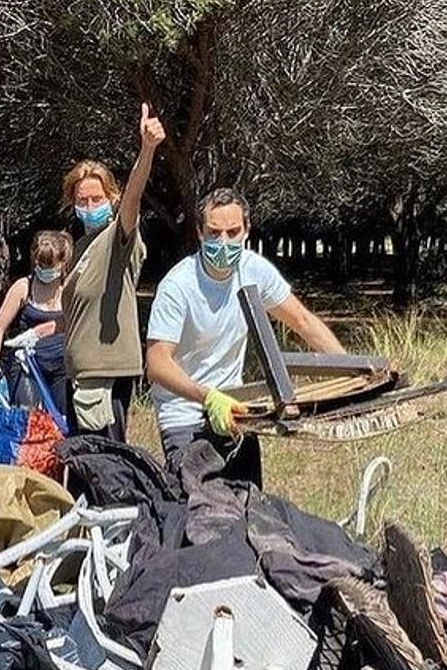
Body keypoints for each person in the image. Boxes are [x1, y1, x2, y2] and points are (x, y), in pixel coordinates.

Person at [145, 187, 346, 466]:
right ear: (200, 233)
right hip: (186, 419)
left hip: (238, 414)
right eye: (214, 233)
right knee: (200, 508)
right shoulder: (177, 285)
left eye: (233, 232)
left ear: (247, 230)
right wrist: (208, 397)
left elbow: (303, 321)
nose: (224, 242)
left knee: (249, 505)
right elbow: (157, 363)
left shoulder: (254, 270)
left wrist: (351, 372)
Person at [61, 103, 166, 443]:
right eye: (82, 200)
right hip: (80, 376)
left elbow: (134, 197)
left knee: (107, 466)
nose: (89, 206)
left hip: (105, 376)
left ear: (112, 197)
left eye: (97, 198)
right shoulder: (78, 248)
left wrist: (146, 151)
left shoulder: (116, 239)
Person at [0, 230, 72, 417]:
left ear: (63, 264)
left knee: (62, 424)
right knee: (29, 422)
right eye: (41, 265)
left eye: (51, 266)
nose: (46, 271)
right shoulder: (24, 287)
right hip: (28, 367)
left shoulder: (70, 289)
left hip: (62, 368)